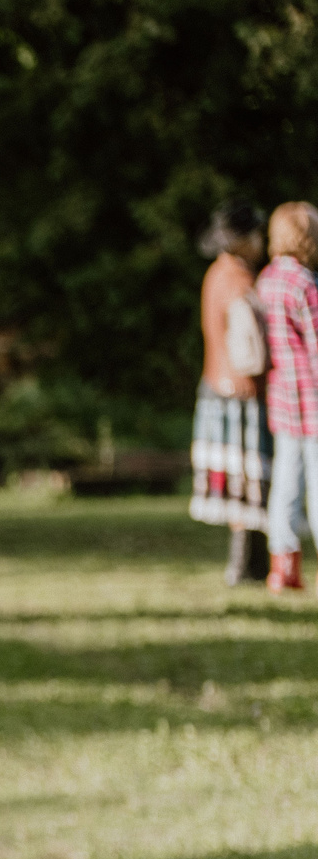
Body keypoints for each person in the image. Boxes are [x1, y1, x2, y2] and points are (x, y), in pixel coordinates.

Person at [192, 203, 271, 585]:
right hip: (240, 393)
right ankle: (245, 567)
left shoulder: (215, 274)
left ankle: (247, 565)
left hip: (216, 387)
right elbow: (250, 352)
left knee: (242, 483)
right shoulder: (240, 282)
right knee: (249, 481)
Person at [260, 203, 318, 593]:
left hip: (282, 397)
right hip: (312, 399)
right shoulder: (305, 284)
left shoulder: (266, 280)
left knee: (284, 482)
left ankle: (282, 567)